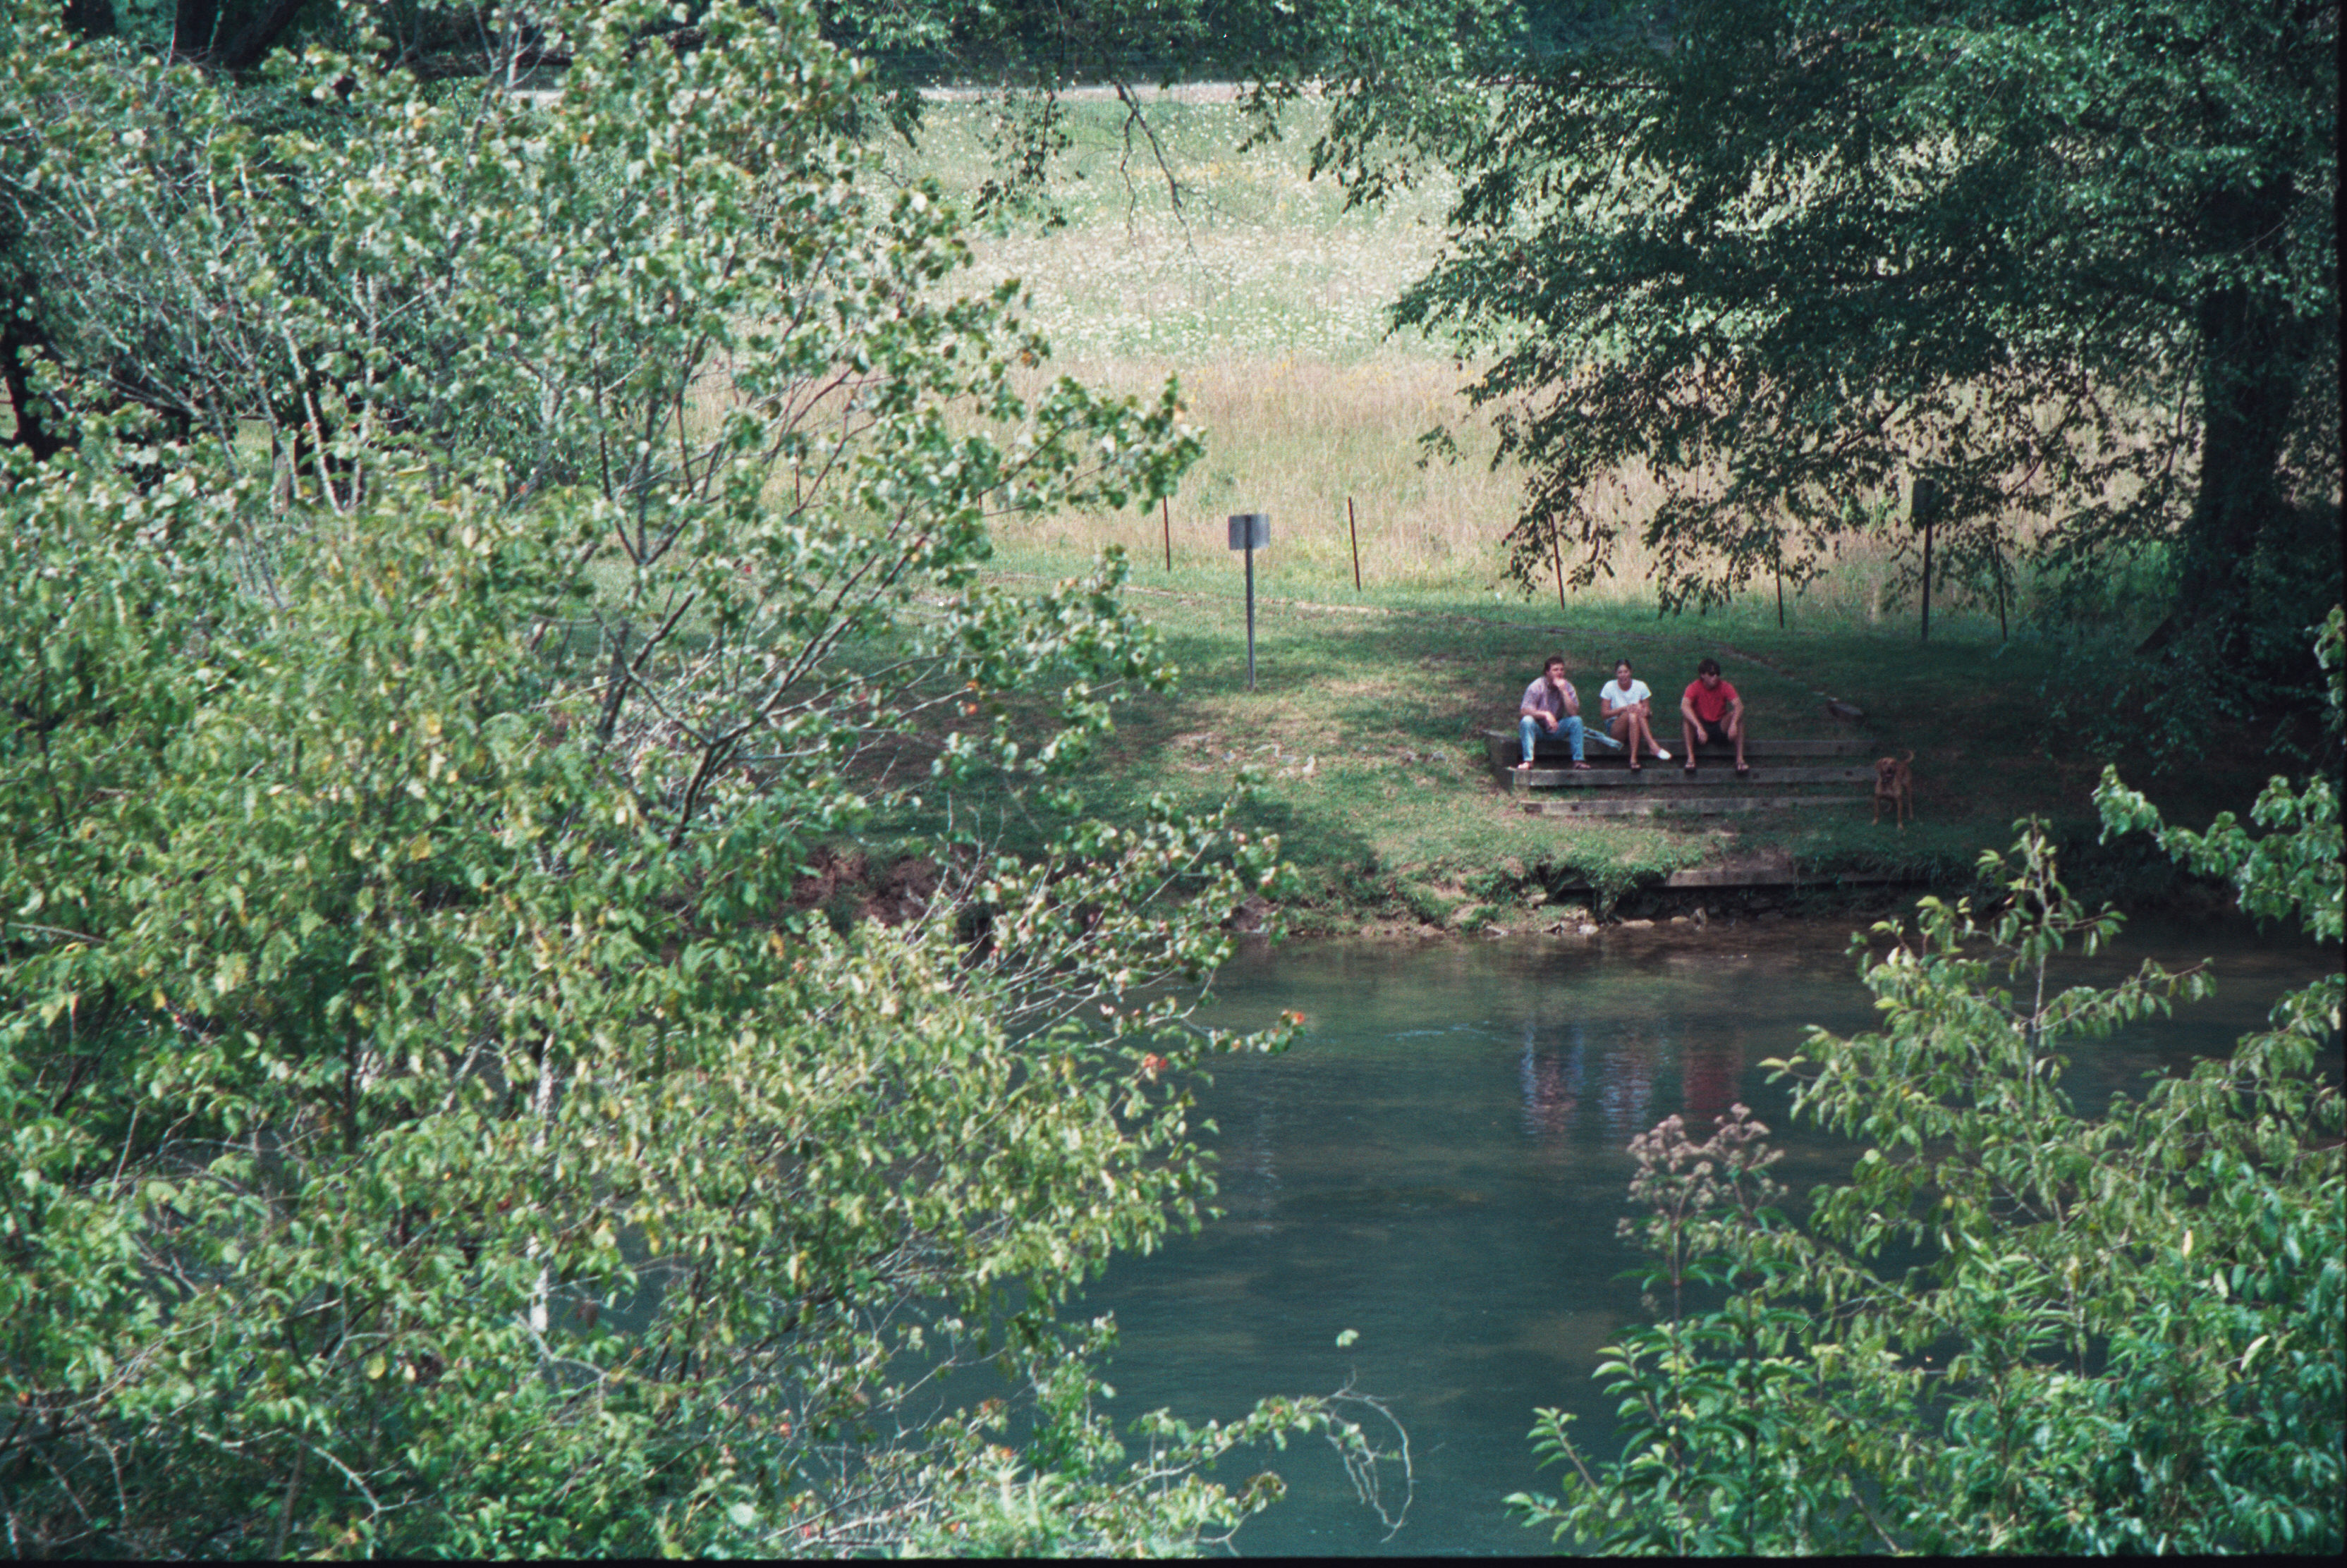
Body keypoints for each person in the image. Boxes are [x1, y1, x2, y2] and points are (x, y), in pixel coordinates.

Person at [1516, 654, 1591, 771]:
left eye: (1562, 669)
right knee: (1527, 721)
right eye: (1555, 670)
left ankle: (1578, 761)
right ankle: (1528, 761)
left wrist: (1563, 691)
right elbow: (1524, 711)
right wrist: (1545, 714)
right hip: (1538, 729)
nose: (1559, 673)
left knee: (1577, 721)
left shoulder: (1568, 687)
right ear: (1547, 672)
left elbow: (1573, 713)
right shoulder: (1536, 686)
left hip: (1557, 728)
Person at [1678, 656, 1748, 776]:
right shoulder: (1694, 687)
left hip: (1719, 725)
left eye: (1717, 674)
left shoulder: (1725, 686)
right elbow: (1684, 706)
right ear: (1702, 675)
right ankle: (1690, 759)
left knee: (1737, 718)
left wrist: (1733, 725)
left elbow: (1739, 706)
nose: (1715, 677)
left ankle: (1740, 760)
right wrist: (1699, 727)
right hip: (1702, 724)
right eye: (1711, 674)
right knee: (1687, 720)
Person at [1599, 658, 1668, 770]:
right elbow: (1604, 714)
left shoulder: (1641, 686)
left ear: (1630, 672)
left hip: (1636, 726)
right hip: (1616, 728)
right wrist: (1624, 709)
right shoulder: (1609, 686)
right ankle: (1652, 745)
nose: (1623, 675)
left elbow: (1648, 713)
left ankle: (1633, 758)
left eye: (1626, 672)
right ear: (1616, 674)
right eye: (1620, 672)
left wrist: (1643, 710)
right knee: (1631, 713)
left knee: (1635, 712)